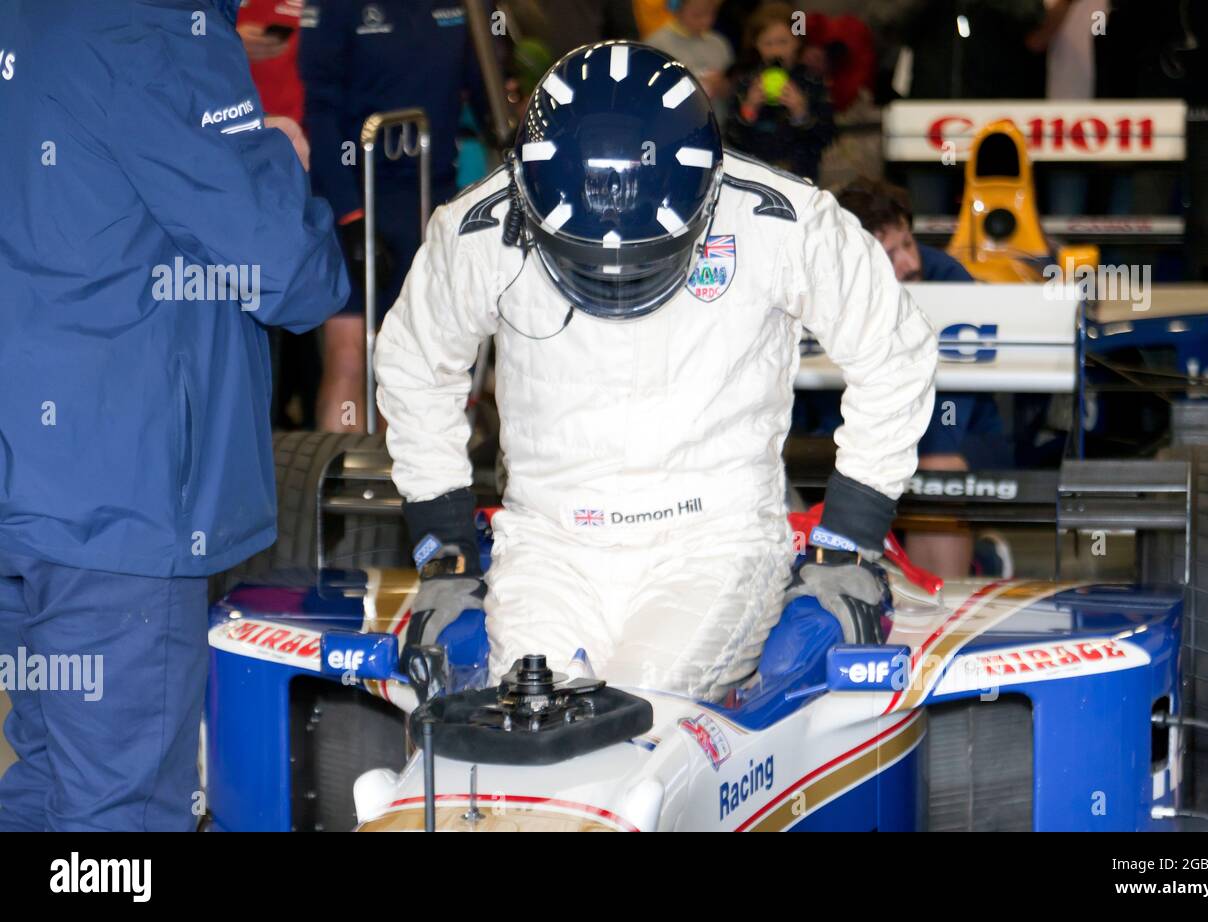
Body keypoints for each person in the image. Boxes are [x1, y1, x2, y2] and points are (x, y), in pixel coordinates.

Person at [375, 43, 936, 702]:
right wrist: (445, 551)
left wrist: (850, 538)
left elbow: (893, 348)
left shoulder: (778, 219)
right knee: (522, 720)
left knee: (643, 714)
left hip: (712, 541)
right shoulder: (479, 228)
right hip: (550, 544)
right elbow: (414, 362)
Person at [0, 0, 349, 831]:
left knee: (47, 773)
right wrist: (276, 157)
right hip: (117, 501)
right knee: (121, 812)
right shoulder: (160, 28)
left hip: (31, 476)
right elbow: (289, 270)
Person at [299, 0, 487, 432]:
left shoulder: (468, 6)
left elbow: (485, 91)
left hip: (430, 197)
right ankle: (342, 486)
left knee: (413, 361)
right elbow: (320, 111)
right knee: (349, 353)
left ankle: (400, 486)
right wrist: (349, 216)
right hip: (354, 193)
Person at [835, 179, 1013, 579]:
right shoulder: (832, 287)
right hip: (863, 427)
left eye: (908, 244)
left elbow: (950, 411)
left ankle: (940, 609)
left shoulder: (948, 279)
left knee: (934, 464)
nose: (909, 264)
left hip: (960, 432)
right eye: (890, 255)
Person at [725, 2, 836, 181]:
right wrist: (749, 108)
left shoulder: (811, 82)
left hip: (801, 175)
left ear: (797, 42)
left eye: (783, 42)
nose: (776, 50)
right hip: (757, 175)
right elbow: (733, 139)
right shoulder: (747, 83)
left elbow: (826, 137)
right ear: (756, 45)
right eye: (767, 43)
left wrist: (801, 113)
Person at [646, 0, 734, 110]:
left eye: (712, 13)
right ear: (677, 9)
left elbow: (733, 89)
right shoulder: (657, 44)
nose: (706, 20)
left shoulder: (719, 44)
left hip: (717, 121)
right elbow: (649, 93)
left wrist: (722, 86)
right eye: (697, 15)